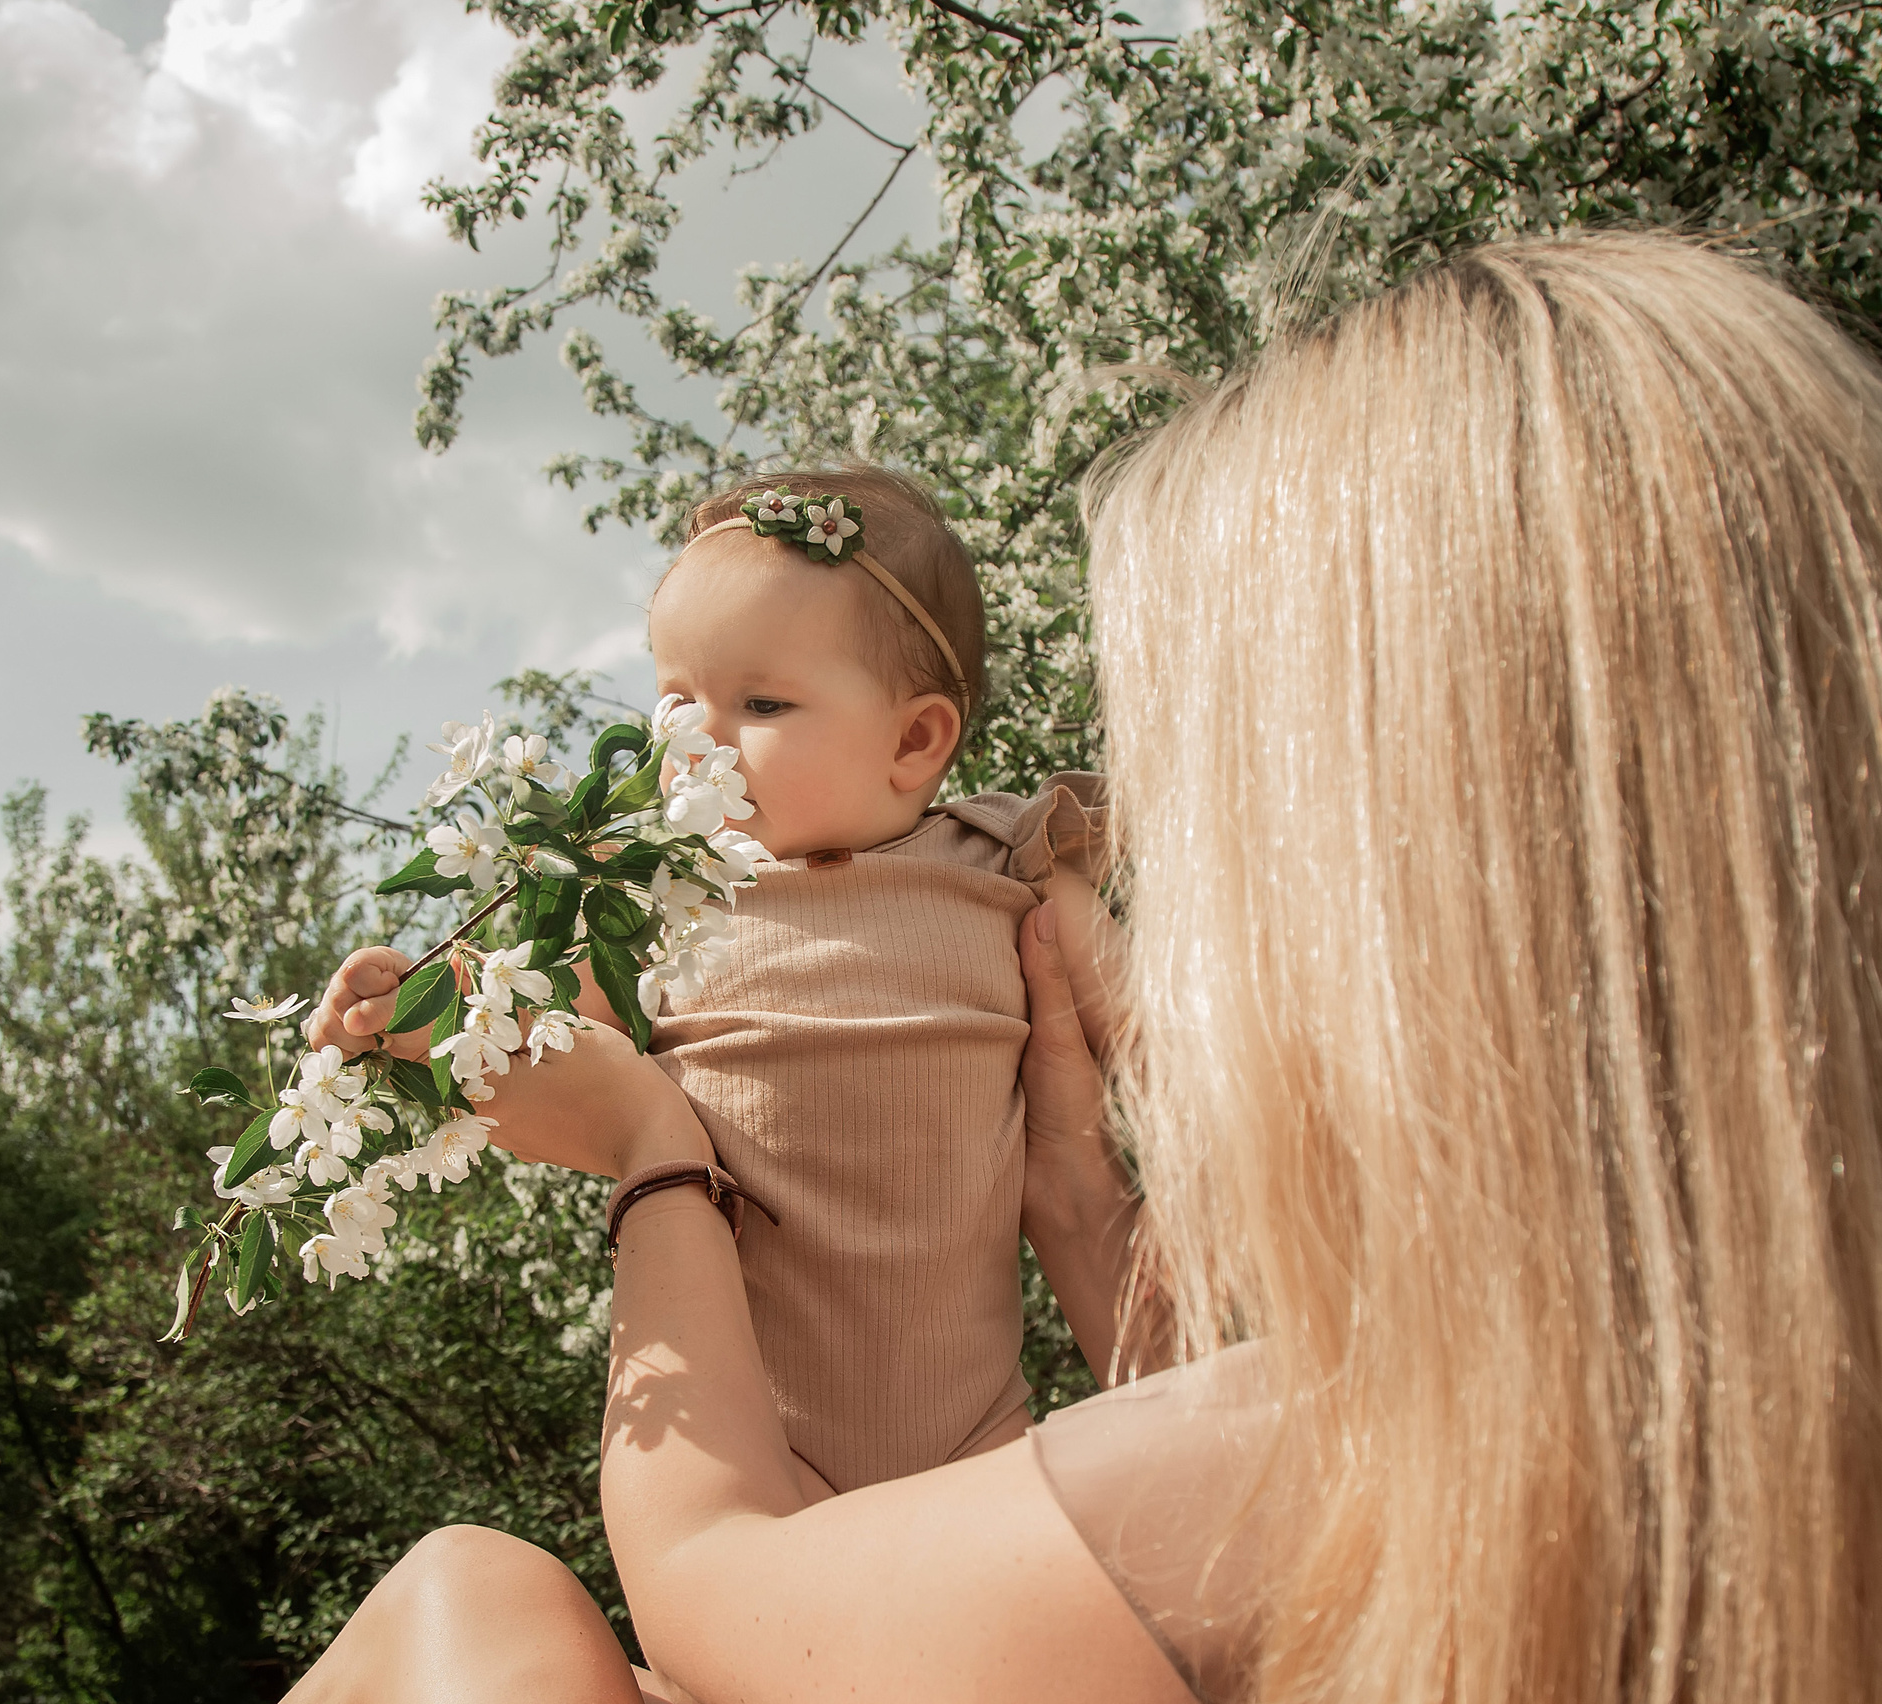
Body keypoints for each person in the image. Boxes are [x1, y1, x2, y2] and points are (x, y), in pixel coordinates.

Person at [287, 233, 1882, 1704]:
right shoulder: (1720, 1433)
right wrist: (1083, 1203)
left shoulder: (1394, 1440)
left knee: (473, 1601)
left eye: (1226, 803)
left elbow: (725, 1592)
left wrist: (648, 1151)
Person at [313, 467, 1115, 1496]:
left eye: (761, 702)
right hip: (751, 1442)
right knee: (755, 1645)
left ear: (915, 740)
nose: (694, 744)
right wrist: (402, 1019)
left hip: (980, 1437)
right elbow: (536, 1057)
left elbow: (1174, 1020)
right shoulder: (656, 912)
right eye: (674, 702)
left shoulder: (1000, 862)